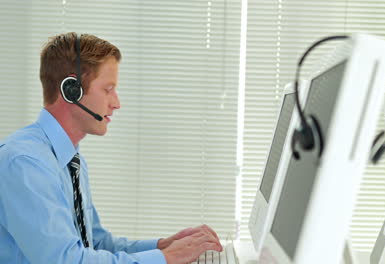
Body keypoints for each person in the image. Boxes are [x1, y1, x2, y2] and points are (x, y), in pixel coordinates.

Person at [0, 32, 222, 264]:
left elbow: (93, 243)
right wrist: (164, 259)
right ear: (71, 90)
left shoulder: (71, 160)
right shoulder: (25, 163)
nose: (116, 103)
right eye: (108, 89)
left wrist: (161, 246)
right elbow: (68, 260)